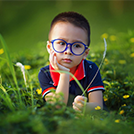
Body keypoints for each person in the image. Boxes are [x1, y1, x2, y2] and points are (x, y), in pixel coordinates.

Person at [38, 11, 105, 113]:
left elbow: (98, 106)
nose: (68, 51)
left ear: (85, 53)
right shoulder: (45, 73)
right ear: (49, 47)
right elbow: (57, 108)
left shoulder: (91, 69)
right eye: (61, 43)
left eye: (77, 46)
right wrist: (64, 74)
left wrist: (85, 108)